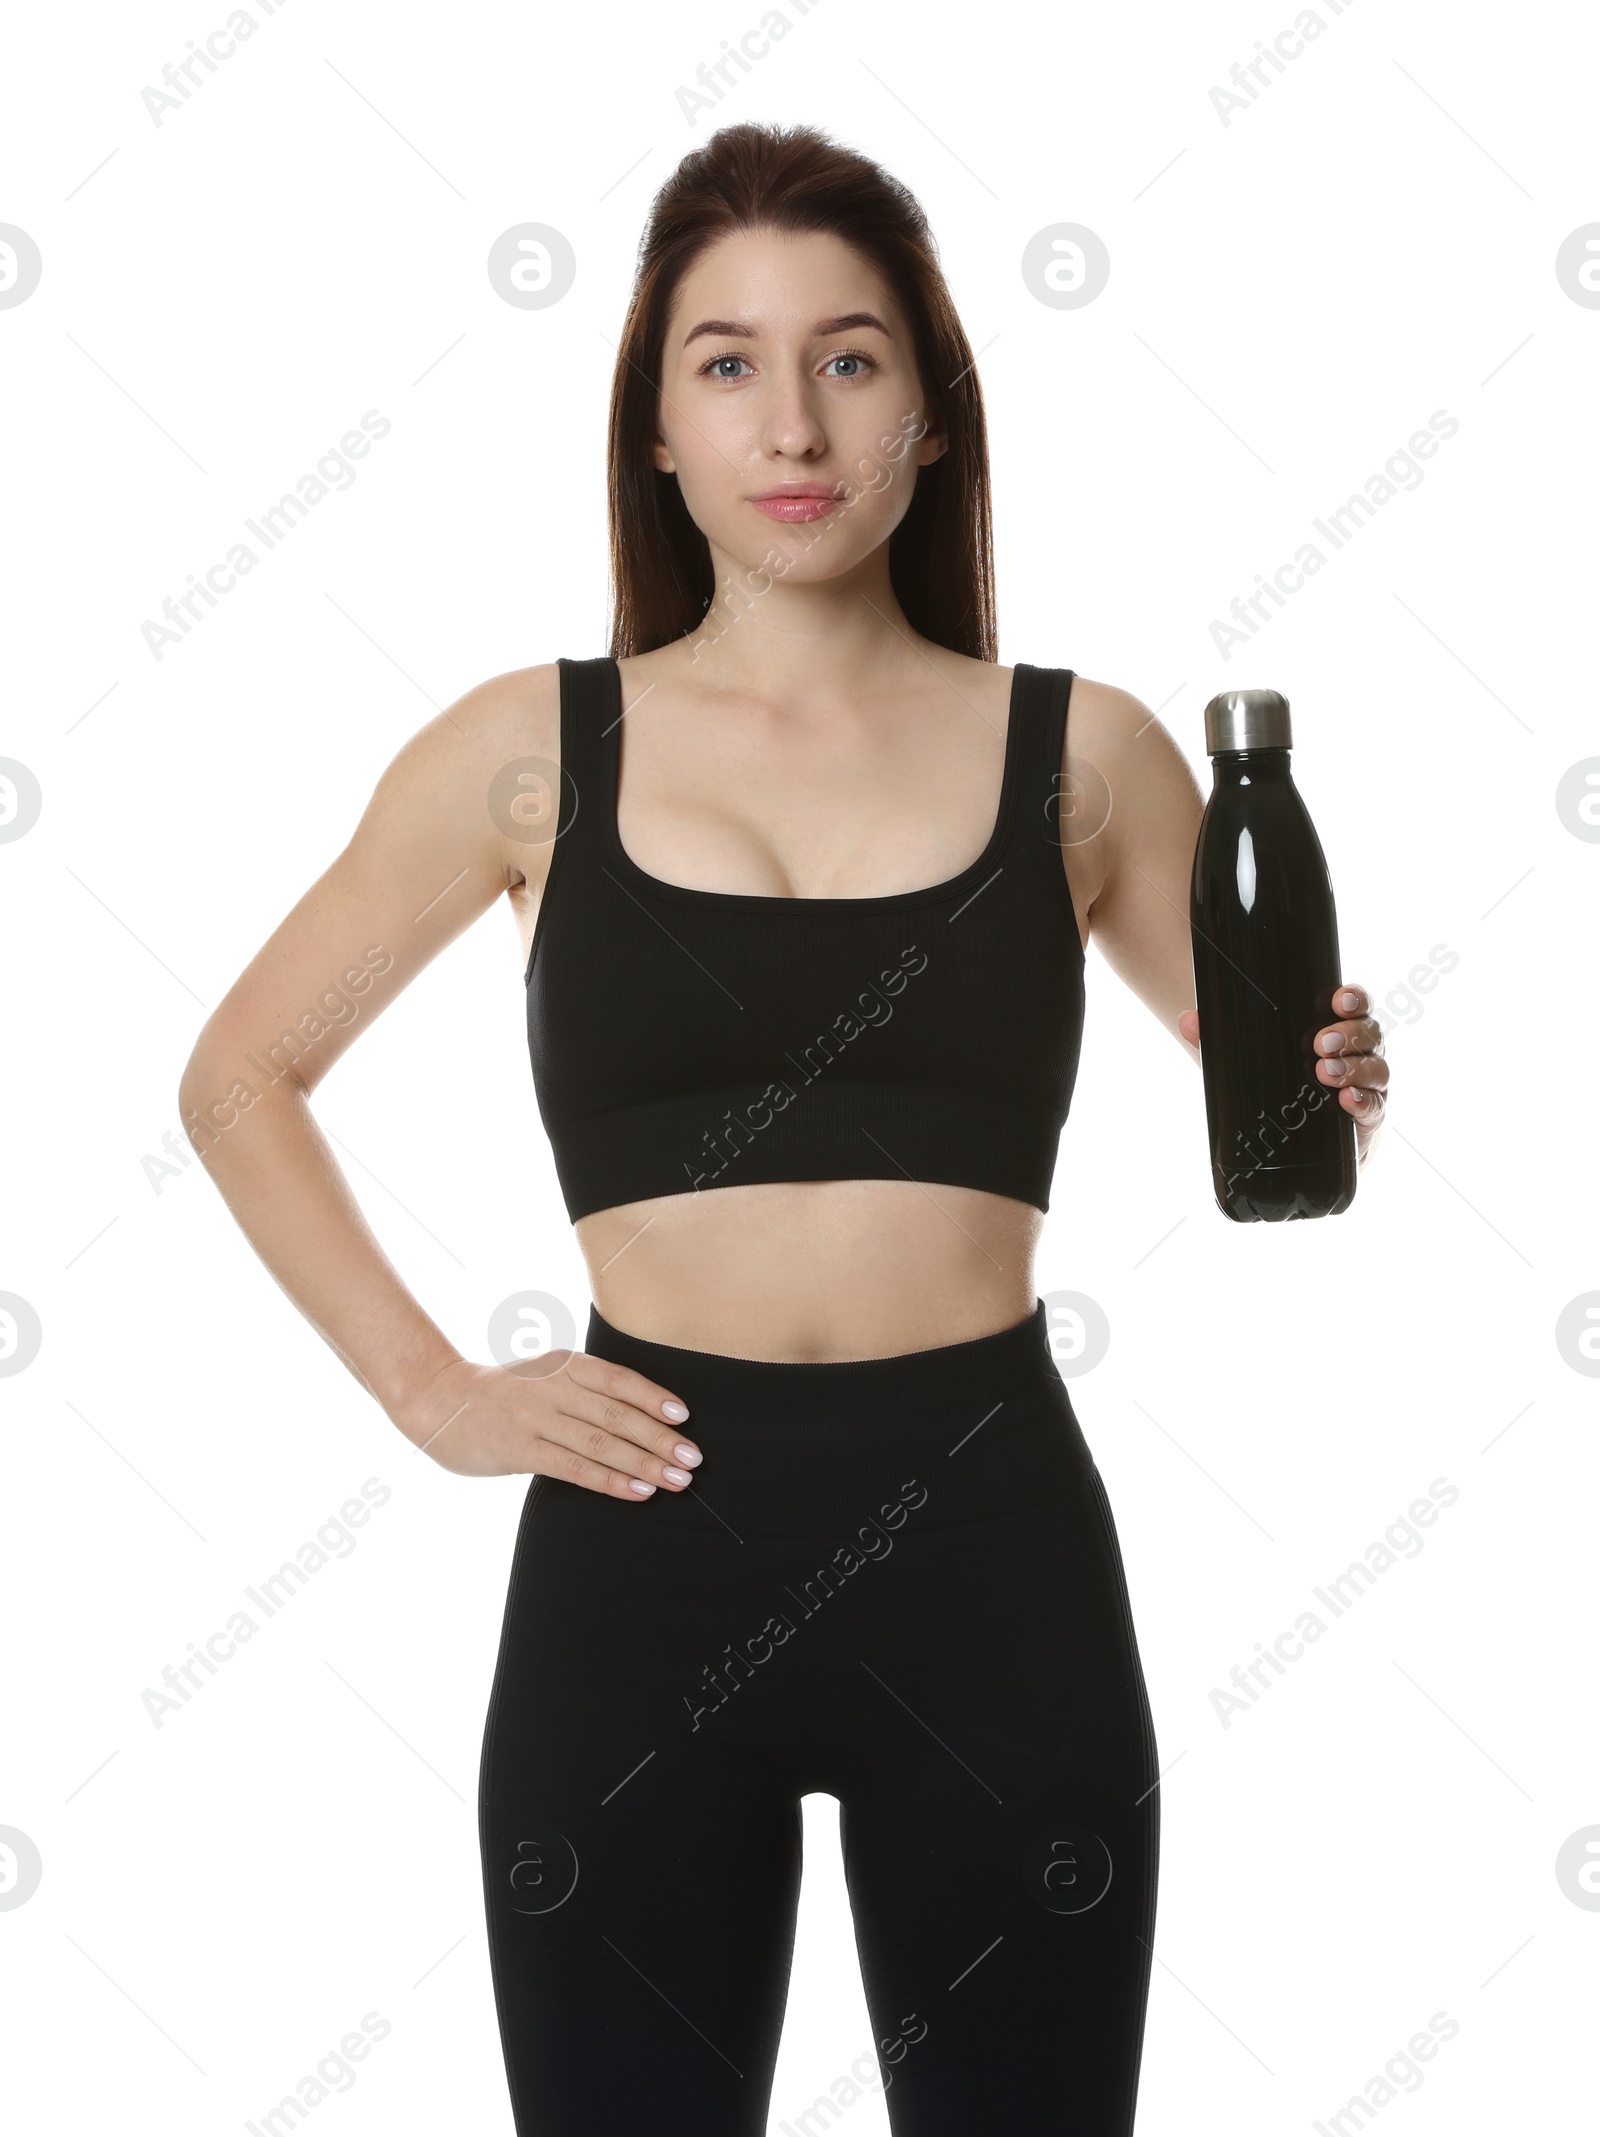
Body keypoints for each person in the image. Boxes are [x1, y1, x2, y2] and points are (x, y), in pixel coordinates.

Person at [178, 120, 1388, 2137]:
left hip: (990, 1568)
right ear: (654, 427)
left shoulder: (1080, 754)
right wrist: (430, 1393)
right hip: (640, 1566)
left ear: (928, 410)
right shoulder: (517, 754)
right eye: (722, 362)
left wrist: (1326, 1068)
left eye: (849, 355)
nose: (790, 416)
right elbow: (240, 1077)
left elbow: (1267, 1102)